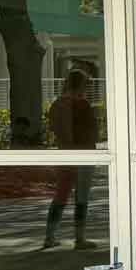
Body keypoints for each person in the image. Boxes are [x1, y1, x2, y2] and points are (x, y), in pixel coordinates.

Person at [45, 67, 98, 250]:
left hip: (64, 154)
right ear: (82, 85)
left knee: (60, 195)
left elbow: (54, 128)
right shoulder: (83, 105)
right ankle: (79, 238)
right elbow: (92, 132)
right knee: (81, 197)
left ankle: (50, 236)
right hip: (84, 154)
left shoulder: (56, 105)